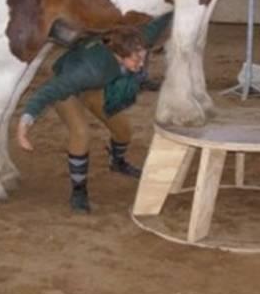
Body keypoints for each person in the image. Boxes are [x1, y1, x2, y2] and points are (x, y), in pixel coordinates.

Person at [16, 13, 172, 213]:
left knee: (123, 130)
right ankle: (78, 192)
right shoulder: (87, 71)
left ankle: (118, 162)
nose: (141, 64)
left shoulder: (136, 41)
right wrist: (24, 125)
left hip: (94, 85)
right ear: (119, 55)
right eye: (135, 60)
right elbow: (48, 92)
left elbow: (160, 19)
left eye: (142, 57)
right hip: (69, 86)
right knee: (80, 132)